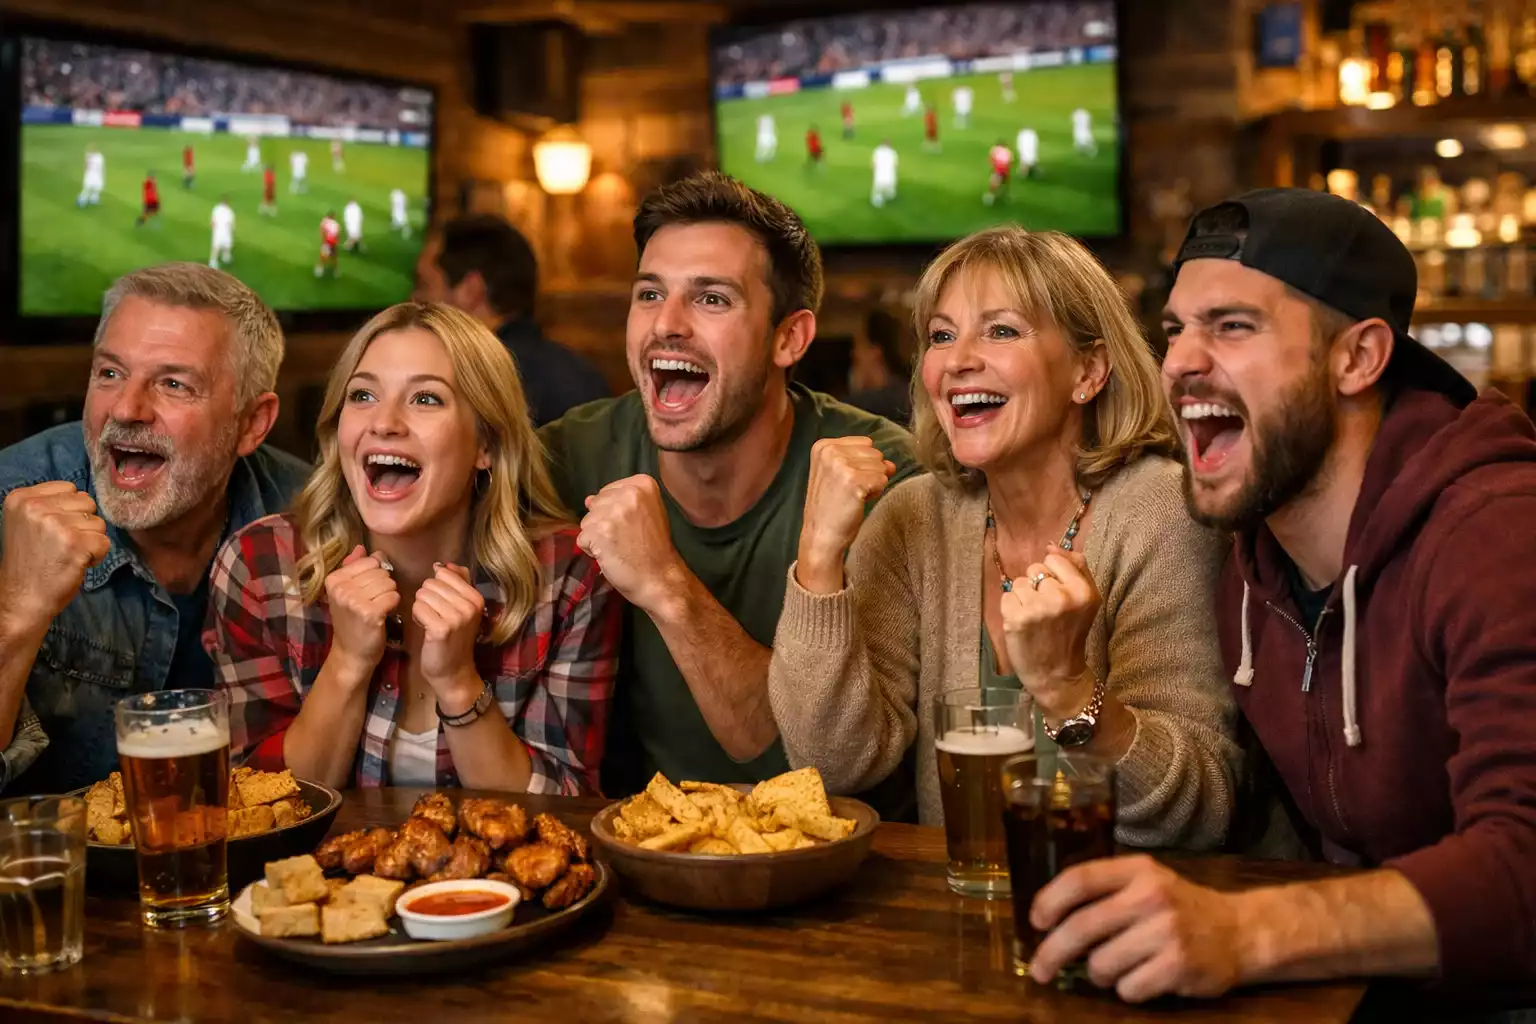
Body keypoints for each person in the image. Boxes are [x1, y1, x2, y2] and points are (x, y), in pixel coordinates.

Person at [1024, 188, 1536, 1010]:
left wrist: (1246, 931)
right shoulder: (1248, 565)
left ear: (1359, 358)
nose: (1181, 362)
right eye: (1174, 330)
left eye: (1232, 326)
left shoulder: (1495, 533)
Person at [771, 226, 1235, 846]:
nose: (957, 360)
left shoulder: (1163, 513)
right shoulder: (915, 517)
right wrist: (819, 561)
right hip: (961, 905)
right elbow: (834, 765)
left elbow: (1199, 810)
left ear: (1089, 370)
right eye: (941, 335)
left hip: (1133, 918)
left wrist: (1069, 692)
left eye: (1001, 330)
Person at [537, 171, 920, 803]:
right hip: (635, 855)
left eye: (712, 299)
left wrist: (665, 583)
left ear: (788, 338)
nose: (668, 324)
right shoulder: (567, 459)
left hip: (846, 868)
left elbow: (805, 765)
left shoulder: (884, 480)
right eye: (649, 294)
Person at [209, 302, 619, 793]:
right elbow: (255, 807)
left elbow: (564, 807)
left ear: (485, 443)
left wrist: (458, 682)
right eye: (362, 395)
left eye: (425, 399)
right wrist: (347, 664)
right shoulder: (259, 566)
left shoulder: (567, 576)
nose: (383, 423)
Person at [0, 263, 307, 794]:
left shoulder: (311, 527)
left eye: (173, 384)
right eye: (110, 373)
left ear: (252, 423)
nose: (126, 408)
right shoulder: (9, 498)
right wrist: (16, 614)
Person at [413, 214, 608, 428]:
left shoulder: (474, 384)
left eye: (424, 285)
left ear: (470, 290)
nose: (413, 300)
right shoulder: (585, 374)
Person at [845, 308, 911, 425]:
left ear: (875, 351)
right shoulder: (911, 396)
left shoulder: (858, 408)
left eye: (859, 345)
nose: (853, 353)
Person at [984, 141, 1012, 206]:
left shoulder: (995, 149)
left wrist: (993, 167)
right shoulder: (1007, 151)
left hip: (999, 169)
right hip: (1005, 170)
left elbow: (991, 159)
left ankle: (990, 197)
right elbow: (1010, 162)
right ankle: (1006, 197)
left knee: (994, 184)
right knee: (1004, 183)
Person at [870, 140, 898, 207]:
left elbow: (874, 163)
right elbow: (895, 164)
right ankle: (884, 196)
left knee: (879, 185)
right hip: (888, 171)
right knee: (888, 183)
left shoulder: (878, 151)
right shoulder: (892, 152)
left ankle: (878, 198)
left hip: (880, 171)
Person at [209, 197, 235, 268]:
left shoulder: (218, 209)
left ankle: (225, 257)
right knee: (217, 246)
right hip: (220, 230)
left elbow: (212, 221)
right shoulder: (227, 211)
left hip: (222, 230)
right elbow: (231, 223)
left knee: (226, 244)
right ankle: (213, 261)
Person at [316, 211, 340, 279]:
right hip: (329, 242)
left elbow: (322, 231)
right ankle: (322, 269)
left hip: (329, 242)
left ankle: (320, 269)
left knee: (329, 257)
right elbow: (337, 234)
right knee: (328, 257)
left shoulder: (327, 223)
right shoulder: (334, 224)